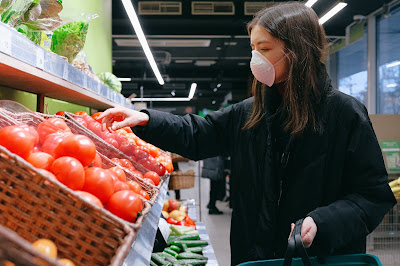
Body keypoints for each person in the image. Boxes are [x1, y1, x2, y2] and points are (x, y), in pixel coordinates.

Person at [98, 2, 396, 265]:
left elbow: (372, 196)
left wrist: (322, 222)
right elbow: (200, 132)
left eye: (265, 49)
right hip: (254, 256)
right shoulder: (250, 112)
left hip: (321, 257)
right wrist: (146, 120)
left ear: (297, 52)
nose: (256, 58)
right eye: (253, 49)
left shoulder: (344, 114)